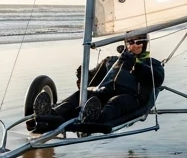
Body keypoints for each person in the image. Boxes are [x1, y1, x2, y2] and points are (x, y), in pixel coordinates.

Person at [31, 34, 164, 134]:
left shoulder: (152, 64)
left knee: (116, 101)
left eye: (139, 41)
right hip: (104, 92)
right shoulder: (112, 60)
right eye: (131, 41)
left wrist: (135, 65)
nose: (135, 45)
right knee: (83, 95)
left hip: (132, 98)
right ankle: (51, 115)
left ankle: (94, 120)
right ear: (126, 43)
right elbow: (93, 80)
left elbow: (157, 79)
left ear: (145, 44)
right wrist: (83, 75)